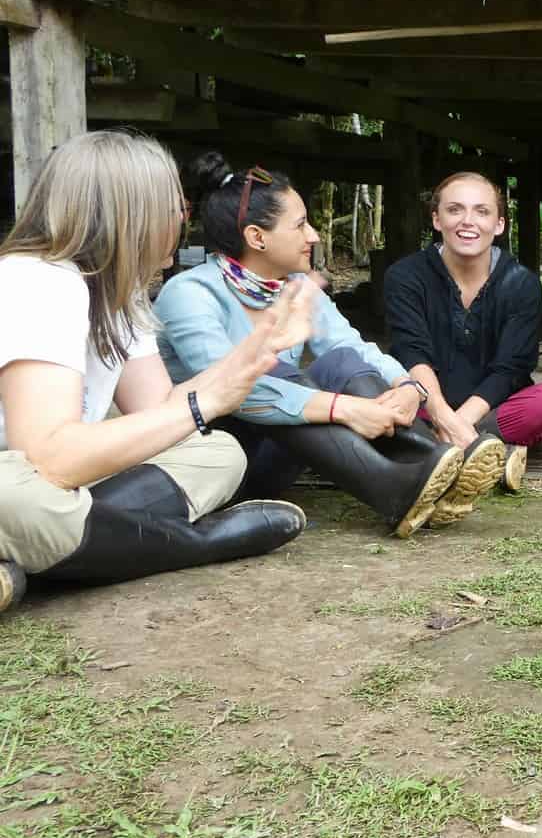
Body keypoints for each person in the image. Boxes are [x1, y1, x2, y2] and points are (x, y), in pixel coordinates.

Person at [0, 131, 313, 613]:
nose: (183, 218)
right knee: (13, 495)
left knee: (217, 452)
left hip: (58, 493)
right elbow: (48, 459)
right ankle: (198, 544)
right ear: (132, 214)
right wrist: (206, 402)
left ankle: (32, 561)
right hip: (23, 482)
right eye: (174, 206)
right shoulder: (38, 281)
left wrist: (247, 357)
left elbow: (160, 414)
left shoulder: (118, 294)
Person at [157, 154, 499, 538]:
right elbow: (234, 393)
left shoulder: (296, 287)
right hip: (223, 461)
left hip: (282, 451)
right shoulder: (189, 293)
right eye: (301, 225)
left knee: (341, 361)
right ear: (257, 237)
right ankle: (395, 486)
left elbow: (352, 346)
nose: (314, 235)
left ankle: (425, 462)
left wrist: (407, 387)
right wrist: (345, 408)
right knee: (273, 371)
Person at [384, 172, 542, 492]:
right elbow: (413, 353)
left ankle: (435, 451)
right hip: (425, 407)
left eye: (481, 211)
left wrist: (460, 424)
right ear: (436, 219)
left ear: (499, 225)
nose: (468, 221)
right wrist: (441, 415)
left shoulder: (522, 284)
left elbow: (511, 368)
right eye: (455, 209)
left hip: (490, 409)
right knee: (363, 394)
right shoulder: (404, 277)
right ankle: (490, 455)